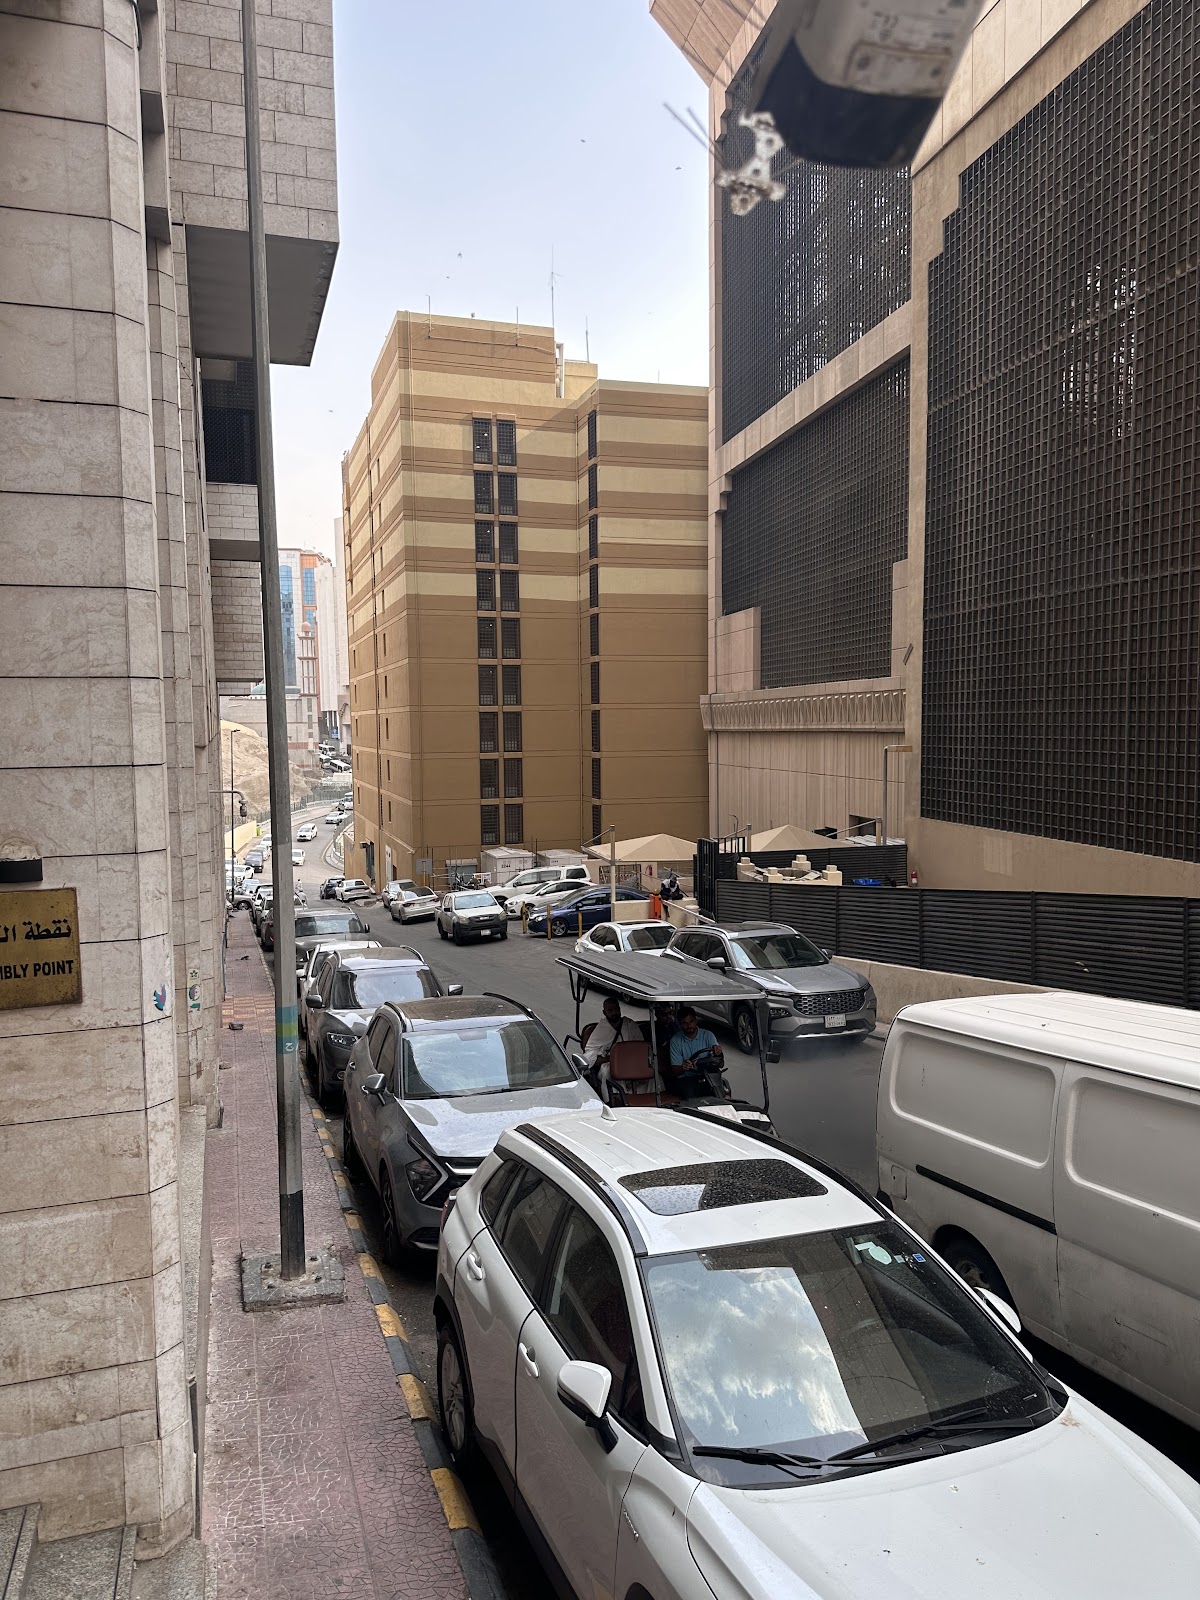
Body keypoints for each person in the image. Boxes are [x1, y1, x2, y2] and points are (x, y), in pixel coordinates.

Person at [667, 1006, 724, 1099]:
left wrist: (718, 1053)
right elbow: (675, 1070)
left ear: (696, 1020)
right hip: (687, 1078)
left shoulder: (708, 1035)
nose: (689, 1026)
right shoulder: (675, 1041)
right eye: (685, 1023)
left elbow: (720, 1063)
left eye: (691, 1021)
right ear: (680, 1024)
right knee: (691, 1094)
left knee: (719, 1092)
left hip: (708, 1076)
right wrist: (683, 1067)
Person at [584, 995, 643, 1073]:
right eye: (610, 1010)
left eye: (616, 1009)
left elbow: (640, 1047)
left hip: (631, 1061)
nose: (614, 1012)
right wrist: (612, 1058)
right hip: (610, 1064)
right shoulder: (601, 1029)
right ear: (604, 1012)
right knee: (607, 1072)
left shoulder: (630, 1025)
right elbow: (590, 1053)